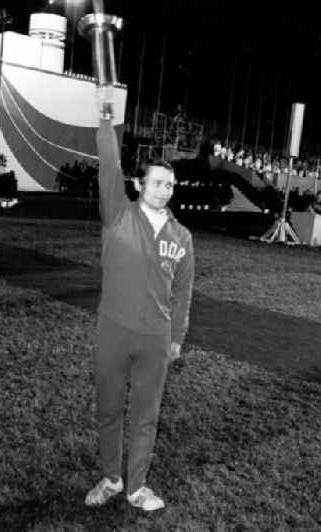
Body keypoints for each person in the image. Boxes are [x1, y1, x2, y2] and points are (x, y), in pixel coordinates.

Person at [85, 87, 195, 512]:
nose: (165, 190)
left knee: (145, 416)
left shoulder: (182, 236)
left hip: (155, 336)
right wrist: (107, 120)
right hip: (113, 330)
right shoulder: (117, 213)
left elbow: (184, 291)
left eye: (171, 184)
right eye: (158, 182)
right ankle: (112, 478)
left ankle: (136, 487)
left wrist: (177, 336)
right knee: (109, 410)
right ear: (138, 184)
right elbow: (107, 166)